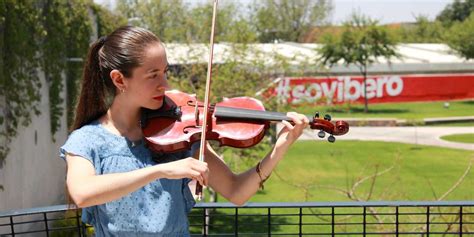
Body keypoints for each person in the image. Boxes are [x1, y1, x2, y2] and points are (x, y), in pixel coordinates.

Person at [61, 25, 309, 237]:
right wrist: (161, 170)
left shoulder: (177, 133)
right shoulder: (88, 140)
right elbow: (83, 193)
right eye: (153, 75)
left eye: (165, 72)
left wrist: (279, 149)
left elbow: (236, 191)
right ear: (119, 80)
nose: (165, 85)